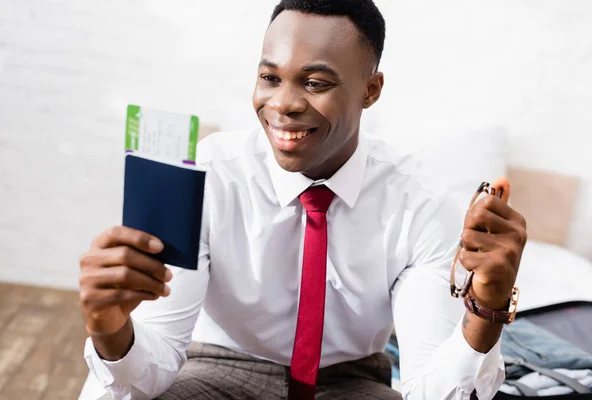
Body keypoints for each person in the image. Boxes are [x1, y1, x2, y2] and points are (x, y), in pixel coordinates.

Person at [78, 1, 527, 399]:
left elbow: (431, 392)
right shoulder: (204, 176)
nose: (283, 104)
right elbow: (149, 374)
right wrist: (110, 327)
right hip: (217, 367)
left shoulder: (422, 207)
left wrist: (485, 311)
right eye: (269, 77)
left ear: (370, 90)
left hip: (350, 382)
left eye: (314, 83)